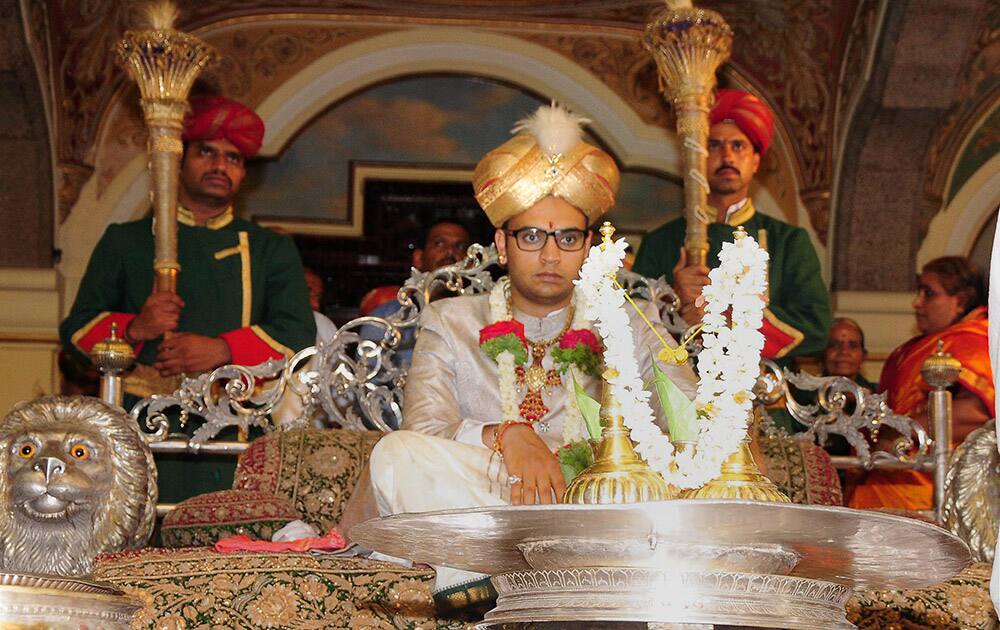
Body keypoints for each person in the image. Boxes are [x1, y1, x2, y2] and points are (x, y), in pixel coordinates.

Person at [367, 104, 698, 610]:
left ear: (588, 247)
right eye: (531, 236)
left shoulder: (630, 320)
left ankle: (518, 571)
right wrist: (509, 436)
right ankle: (485, 577)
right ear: (502, 243)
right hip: (488, 496)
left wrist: (720, 349)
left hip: (594, 504)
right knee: (395, 455)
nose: (549, 255)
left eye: (567, 237)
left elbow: (694, 426)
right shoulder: (451, 320)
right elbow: (425, 431)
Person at [59, 95, 316, 501]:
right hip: (136, 420)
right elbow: (75, 333)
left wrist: (221, 348)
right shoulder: (125, 241)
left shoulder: (269, 249)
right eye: (207, 152)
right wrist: (135, 328)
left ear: (244, 173)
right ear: (179, 161)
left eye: (233, 159)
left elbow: (298, 334)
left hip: (234, 424)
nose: (220, 166)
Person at [633, 88, 831, 365]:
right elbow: (632, 329)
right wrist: (674, 303)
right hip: (680, 398)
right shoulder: (661, 242)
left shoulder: (787, 241)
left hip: (763, 400)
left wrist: (730, 318)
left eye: (738, 146)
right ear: (695, 158)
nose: (727, 156)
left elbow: (817, 327)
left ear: (756, 161)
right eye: (714, 145)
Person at [849, 256, 992, 510]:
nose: (917, 303)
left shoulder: (978, 342)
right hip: (896, 474)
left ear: (959, 301)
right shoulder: (927, 343)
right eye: (919, 292)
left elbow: (975, 414)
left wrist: (900, 431)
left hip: (931, 485)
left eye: (929, 293)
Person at [362, 220, 472, 367]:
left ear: (471, 264)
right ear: (418, 258)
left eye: (460, 246)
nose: (450, 253)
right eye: (439, 243)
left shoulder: (481, 318)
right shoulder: (384, 321)